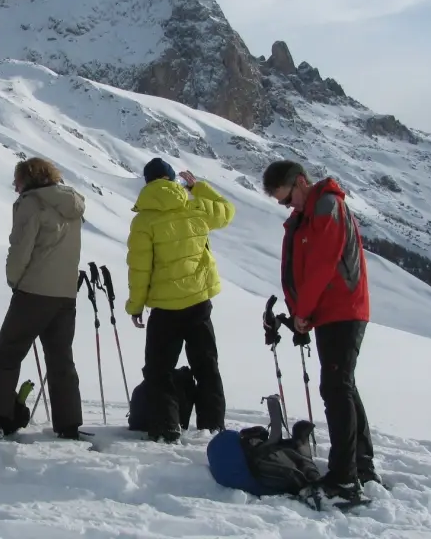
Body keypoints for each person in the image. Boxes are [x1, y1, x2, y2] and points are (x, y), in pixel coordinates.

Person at [261, 160, 380, 500]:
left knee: (335, 388)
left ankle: (345, 478)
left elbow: (322, 265)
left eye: (288, 198)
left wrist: (303, 312)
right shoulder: (308, 214)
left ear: (300, 182)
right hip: (330, 312)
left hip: (342, 310)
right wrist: (302, 313)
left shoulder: (326, 206)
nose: (288, 206)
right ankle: (361, 464)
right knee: (343, 386)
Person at [0, 157, 85, 440]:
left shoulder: (30, 204)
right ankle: (68, 423)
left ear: (28, 179)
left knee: (7, 353)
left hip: (34, 291)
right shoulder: (72, 203)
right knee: (60, 359)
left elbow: (21, 247)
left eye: (17, 180)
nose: (14, 185)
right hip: (65, 293)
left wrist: (14, 279)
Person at [124, 157, 235, 443]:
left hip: (164, 308)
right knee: (206, 365)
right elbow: (227, 212)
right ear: (173, 180)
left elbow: (140, 268)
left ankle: (166, 426)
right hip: (198, 302)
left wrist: (135, 306)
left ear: (147, 183)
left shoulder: (143, 220)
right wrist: (199, 188)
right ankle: (212, 425)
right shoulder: (194, 206)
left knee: (158, 370)